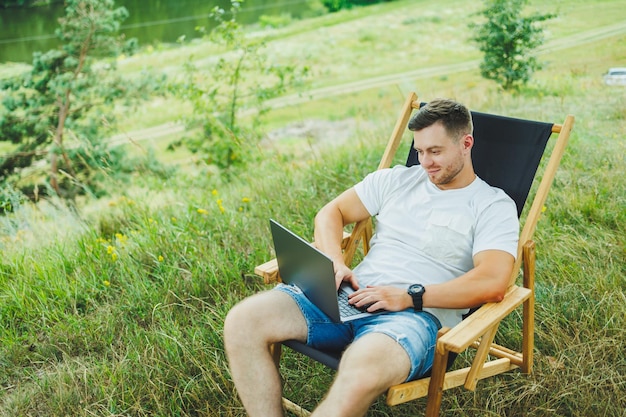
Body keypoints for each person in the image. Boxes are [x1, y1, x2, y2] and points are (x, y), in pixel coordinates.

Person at [223, 99, 519, 417]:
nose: (425, 162)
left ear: (466, 143)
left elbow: (492, 281)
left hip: (414, 318)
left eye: (435, 151)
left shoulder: (491, 206)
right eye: (419, 151)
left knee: (359, 370)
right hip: (349, 293)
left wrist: (409, 297)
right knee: (242, 322)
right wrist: (335, 261)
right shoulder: (396, 180)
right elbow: (330, 213)